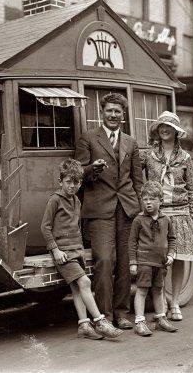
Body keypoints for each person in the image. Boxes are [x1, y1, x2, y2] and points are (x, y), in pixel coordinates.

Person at [75, 93, 143, 330]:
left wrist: (142, 210)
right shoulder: (88, 138)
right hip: (99, 208)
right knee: (104, 260)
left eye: (118, 111)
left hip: (126, 209)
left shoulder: (131, 142)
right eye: (109, 111)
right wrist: (91, 169)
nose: (113, 115)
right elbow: (78, 174)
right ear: (101, 113)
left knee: (125, 262)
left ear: (123, 115)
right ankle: (103, 316)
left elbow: (138, 180)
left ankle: (122, 313)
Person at [40, 159, 123, 341]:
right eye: (68, 181)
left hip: (76, 250)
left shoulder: (76, 201)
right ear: (60, 181)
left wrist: (81, 248)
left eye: (76, 182)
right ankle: (100, 321)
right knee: (85, 282)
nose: (72, 186)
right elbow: (45, 227)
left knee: (77, 289)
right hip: (63, 253)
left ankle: (84, 324)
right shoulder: (55, 200)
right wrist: (55, 250)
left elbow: (76, 225)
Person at [142, 111, 193, 322]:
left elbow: (191, 188)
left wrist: (192, 217)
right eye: (161, 127)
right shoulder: (149, 155)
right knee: (160, 259)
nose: (164, 130)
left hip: (181, 212)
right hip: (159, 213)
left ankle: (175, 303)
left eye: (169, 127)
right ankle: (161, 302)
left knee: (180, 258)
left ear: (176, 132)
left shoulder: (185, 158)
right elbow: (139, 180)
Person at [129, 181, 178, 336]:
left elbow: (172, 239)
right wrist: (133, 262)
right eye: (145, 199)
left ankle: (160, 319)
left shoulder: (166, 220)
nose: (148, 202)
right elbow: (132, 242)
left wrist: (171, 254)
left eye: (152, 199)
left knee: (158, 290)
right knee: (142, 291)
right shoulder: (138, 220)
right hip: (144, 262)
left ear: (160, 201)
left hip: (161, 262)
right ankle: (140, 321)